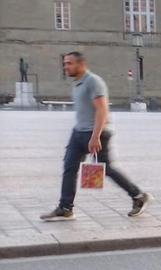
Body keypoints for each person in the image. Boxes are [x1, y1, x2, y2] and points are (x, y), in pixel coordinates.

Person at [40, 52, 151, 222]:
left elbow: (102, 110)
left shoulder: (93, 82)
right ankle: (65, 208)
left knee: (107, 169)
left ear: (81, 64)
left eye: (69, 63)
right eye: (65, 63)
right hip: (78, 133)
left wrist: (95, 136)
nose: (66, 66)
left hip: (97, 133)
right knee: (69, 167)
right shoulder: (77, 83)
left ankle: (138, 196)